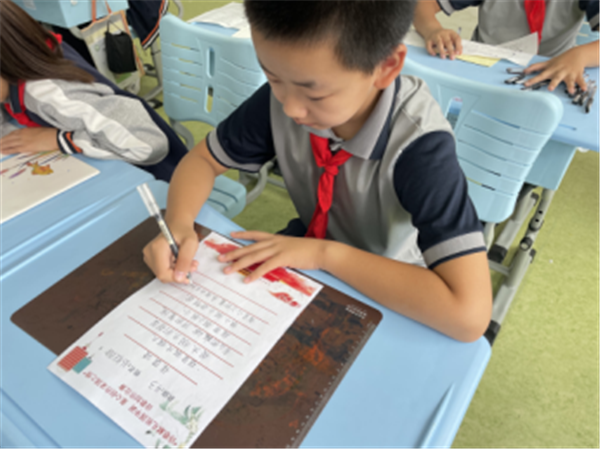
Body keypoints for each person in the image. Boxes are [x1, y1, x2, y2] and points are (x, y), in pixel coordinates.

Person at [143, 0, 493, 342]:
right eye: (272, 77)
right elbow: (203, 160)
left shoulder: (419, 147)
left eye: (315, 95)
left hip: (393, 283)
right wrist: (179, 223)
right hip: (309, 253)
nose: (291, 109)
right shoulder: (287, 93)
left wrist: (323, 254)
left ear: (386, 66)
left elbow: (469, 316)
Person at [0, 0, 187, 182]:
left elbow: (148, 143)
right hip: (104, 170)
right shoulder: (24, 53)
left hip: (159, 182)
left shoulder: (48, 92)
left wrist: (60, 140)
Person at [413, 0, 599, 94]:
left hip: (552, 75)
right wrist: (432, 29)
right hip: (482, 69)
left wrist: (580, 55)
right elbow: (421, 4)